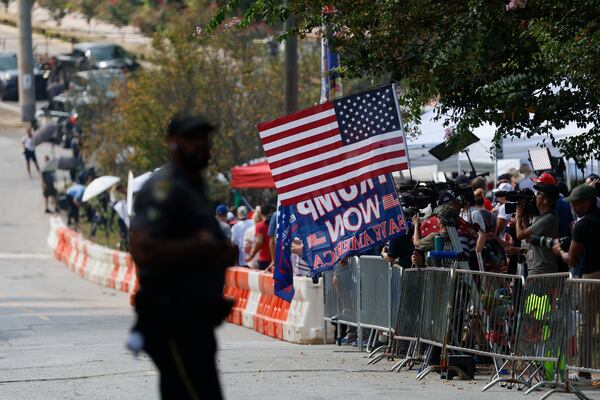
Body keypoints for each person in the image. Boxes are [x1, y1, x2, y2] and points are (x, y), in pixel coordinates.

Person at [129, 112, 235, 400]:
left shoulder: (193, 186)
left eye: (204, 137)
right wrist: (197, 248)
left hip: (196, 318)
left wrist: (219, 254)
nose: (201, 144)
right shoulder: (163, 188)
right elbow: (142, 248)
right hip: (172, 319)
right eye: (191, 138)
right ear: (173, 143)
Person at [553, 185, 600, 279]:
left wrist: (560, 251)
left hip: (593, 278)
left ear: (587, 201)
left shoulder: (582, 225)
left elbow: (571, 260)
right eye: (572, 204)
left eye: (576, 203)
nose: (573, 207)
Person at [515, 183, 559, 275]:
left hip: (542, 270)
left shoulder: (548, 218)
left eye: (539, 194)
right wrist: (524, 217)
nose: (535, 196)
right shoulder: (540, 217)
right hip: (537, 269)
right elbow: (527, 239)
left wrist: (518, 216)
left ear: (546, 200)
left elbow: (519, 235)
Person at [246, 204, 274, 270]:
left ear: (261, 213)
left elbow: (259, 242)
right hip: (277, 259)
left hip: (265, 260)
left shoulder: (260, 226)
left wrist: (251, 256)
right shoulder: (277, 224)